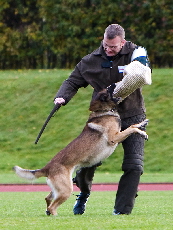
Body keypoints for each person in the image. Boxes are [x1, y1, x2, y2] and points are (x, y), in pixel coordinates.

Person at [54, 24, 151, 215]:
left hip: (133, 113)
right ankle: (83, 193)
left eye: (113, 47)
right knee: (88, 162)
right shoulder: (91, 61)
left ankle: (122, 211)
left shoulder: (135, 53)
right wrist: (62, 96)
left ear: (122, 42)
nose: (108, 49)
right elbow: (73, 81)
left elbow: (142, 73)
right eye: (106, 45)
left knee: (134, 165)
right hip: (102, 117)